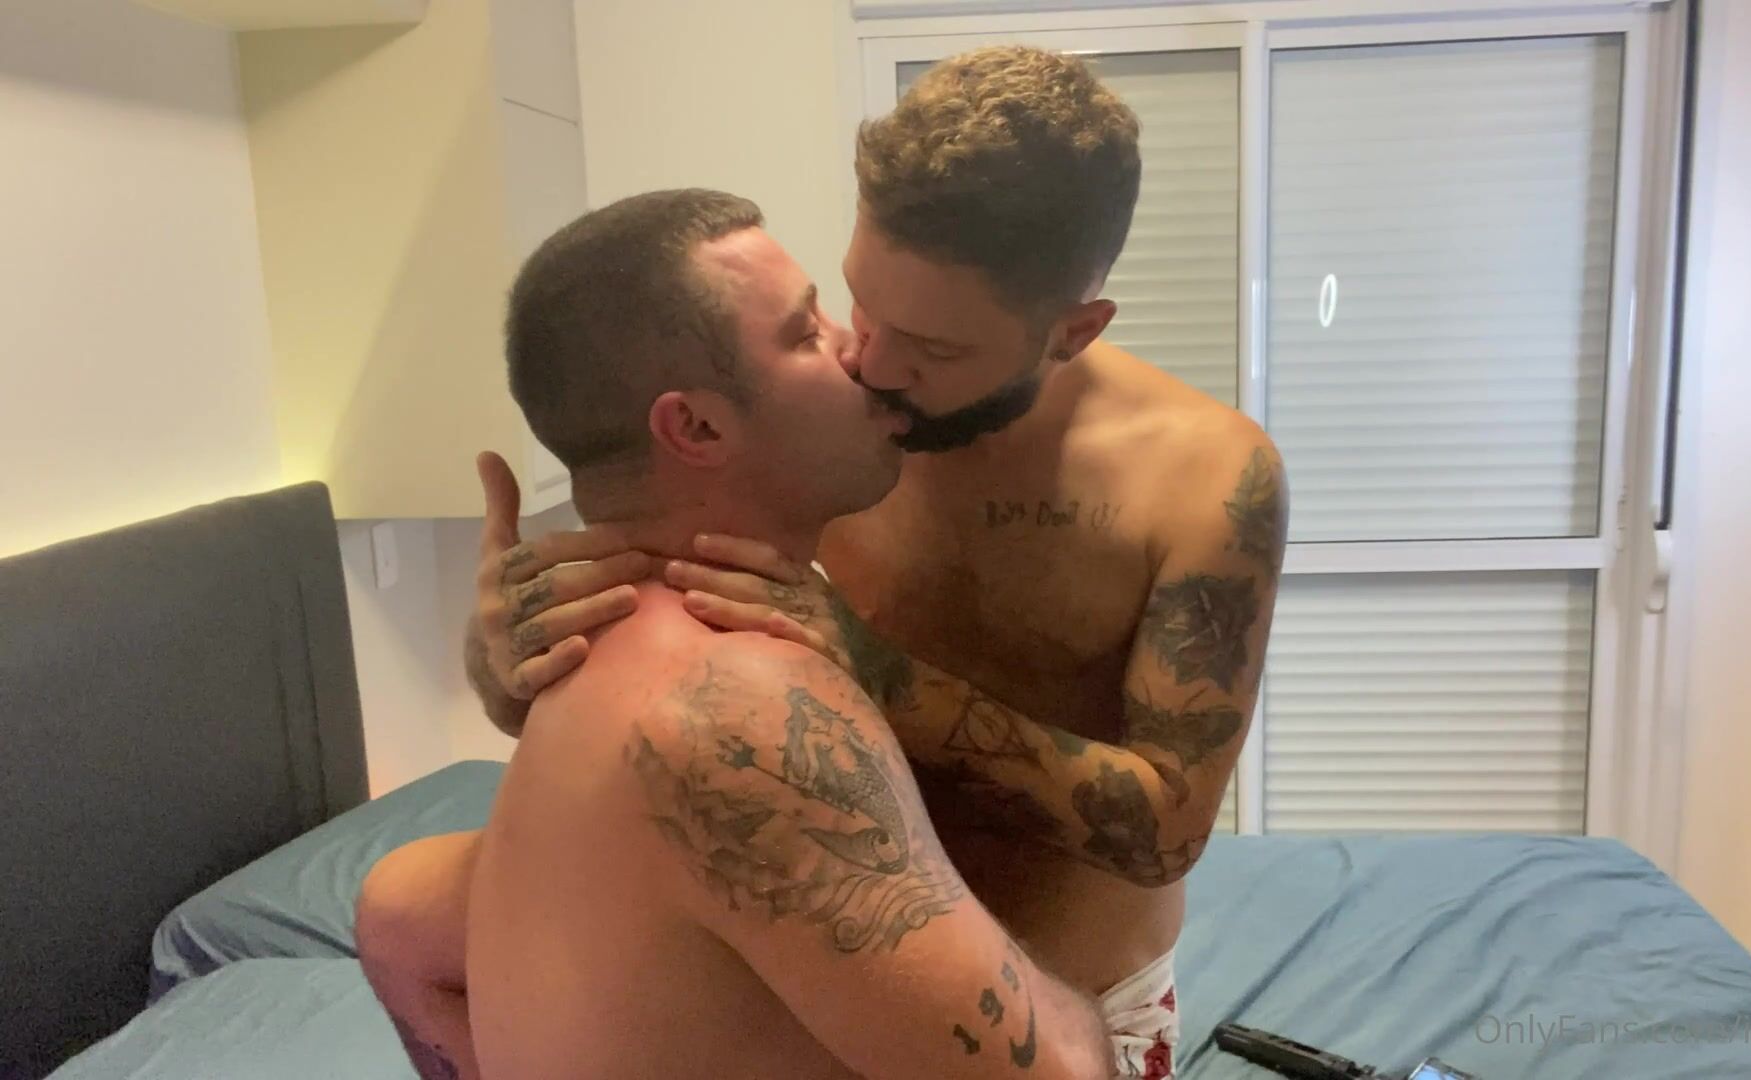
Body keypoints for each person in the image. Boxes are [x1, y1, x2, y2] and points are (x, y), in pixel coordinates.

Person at [360, 46, 1286, 1079]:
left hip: (1052, 991)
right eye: (857, 305)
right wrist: (505, 651)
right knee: (398, 907)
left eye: (933, 347)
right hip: (802, 939)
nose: (871, 363)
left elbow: (1164, 834)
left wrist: (883, 677)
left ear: (1072, 331)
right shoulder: (835, 437)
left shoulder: (1202, 480)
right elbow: (663, 612)